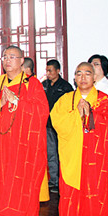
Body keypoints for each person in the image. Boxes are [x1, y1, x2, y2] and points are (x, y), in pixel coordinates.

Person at [0, 46, 49, 216]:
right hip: (0, 144)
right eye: (4, 57)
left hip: (23, 146)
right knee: (2, 185)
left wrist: (19, 103)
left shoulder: (32, 84)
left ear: (21, 60)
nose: (7, 61)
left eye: (12, 57)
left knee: (23, 186)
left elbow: (42, 112)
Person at [50, 62, 108, 216]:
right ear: (74, 78)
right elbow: (56, 121)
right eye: (79, 74)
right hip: (72, 156)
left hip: (97, 160)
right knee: (71, 195)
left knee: (95, 196)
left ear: (95, 77)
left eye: (87, 74)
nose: (83, 78)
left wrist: (91, 114)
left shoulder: (104, 100)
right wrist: (76, 115)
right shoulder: (66, 99)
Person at [42, 59, 74, 192]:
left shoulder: (66, 87)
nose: (48, 73)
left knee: (62, 153)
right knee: (51, 153)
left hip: (62, 126)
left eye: (50, 71)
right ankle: (54, 180)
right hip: (48, 124)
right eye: (47, 71)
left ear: (58, 71)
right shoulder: (44, 85)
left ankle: (63, 182)